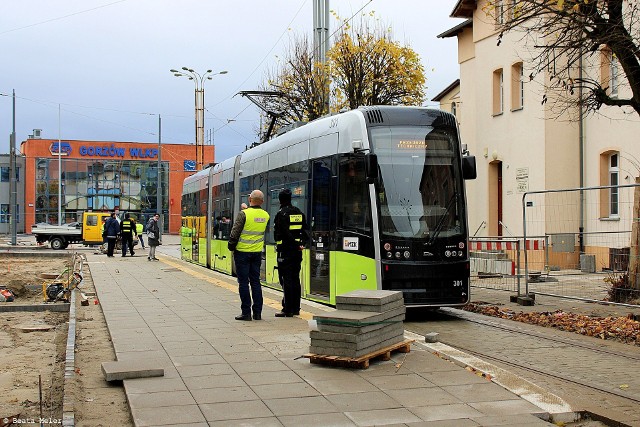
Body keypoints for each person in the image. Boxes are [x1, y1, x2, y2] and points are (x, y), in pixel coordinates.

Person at [228, 190, 270, 321]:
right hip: (257, 253)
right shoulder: (266, 215)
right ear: (262, 202)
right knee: (256, 282)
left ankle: (246, 313)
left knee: (243, 283)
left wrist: (231, 246)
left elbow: (235, 232)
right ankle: (257, 313)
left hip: (242, 253)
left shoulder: (243, 214)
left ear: (249, 198)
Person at [273, 189, 308, 317]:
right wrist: (301, 244)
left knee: (286, 279)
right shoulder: (299, 212)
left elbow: (283, 234)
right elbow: (305, 231)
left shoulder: (281, 214)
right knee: (295, 278)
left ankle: (287, 309)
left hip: (285, 251)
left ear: (280, 200)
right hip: (297, 252)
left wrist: (293, 244)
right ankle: (296, 307)